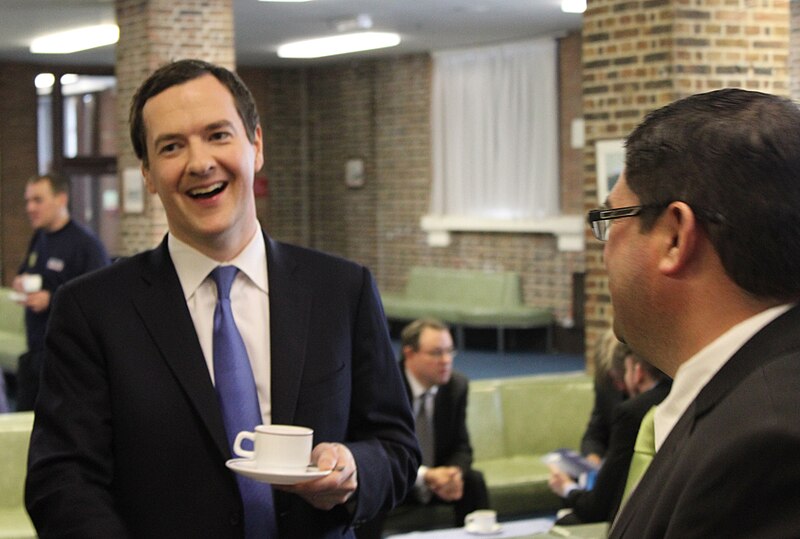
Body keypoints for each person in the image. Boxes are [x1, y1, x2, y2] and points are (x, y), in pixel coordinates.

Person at [25, 59, 419, 539]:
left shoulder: (342, 289)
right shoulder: (92, 310)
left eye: (218, 135)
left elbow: (397, 448)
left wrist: (355, 468)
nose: (199, 162)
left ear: (256, 145)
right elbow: (61, 481)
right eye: (171, 146)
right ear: (147, 173)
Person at [588, 88, 800, 538]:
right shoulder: (745, 390)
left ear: (674, 237)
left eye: (611, 219)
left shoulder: (765, 443)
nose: (603, 255)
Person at [357, 319, 489, 538]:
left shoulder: (456, 387)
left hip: (437, 481)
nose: (446, 360)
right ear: (410, 354)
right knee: (374, 484)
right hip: (397, 477)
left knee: (473, 481)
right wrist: (425, 476)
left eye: (450, 351)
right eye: (436, 353)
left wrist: (452, 473)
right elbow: (378, 451)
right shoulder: (385, 386)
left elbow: (462, 447)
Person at [12, 172, 110, 410]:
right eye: (28, 201)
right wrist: (20, 282)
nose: (30, 207)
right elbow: (28, 270)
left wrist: (51, 299)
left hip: (69, 359)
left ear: (61, 199)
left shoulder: (85, 244)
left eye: (38, 200)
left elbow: (100, 299)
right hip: (36, 350)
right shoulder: (40, 237)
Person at [548, 350, 670, 524]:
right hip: (664, 511)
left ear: (637, 372)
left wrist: (567, 488)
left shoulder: (631, 413)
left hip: (634, 518)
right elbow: (594, 434)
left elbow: (597, 509)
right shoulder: (682, 396)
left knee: (566, 522)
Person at [579, 328, 627, 467]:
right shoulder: (606, 386)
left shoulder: (652, 392)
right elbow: (594, 435)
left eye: (619, 376)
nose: (618, 385)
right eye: (612, 378)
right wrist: (593, 457)